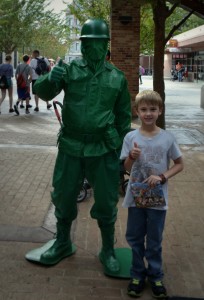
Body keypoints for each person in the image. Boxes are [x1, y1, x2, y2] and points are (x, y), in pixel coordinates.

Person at [26, 19, 131, 274]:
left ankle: (107, 249)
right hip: (71, 145)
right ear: (82, 45)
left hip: (103, 148)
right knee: (63, 196)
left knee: (106, 202)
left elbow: (123, 116)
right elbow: (43, 92)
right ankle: (62, 242)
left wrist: (120, 151)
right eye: (87, 42)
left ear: (106, 46)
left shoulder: (117, 78)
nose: (91, 47)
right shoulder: (69, 71)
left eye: (97, 42)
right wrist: (51, 77)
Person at [120, 90, 184, 298]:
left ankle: (156, 276)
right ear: (137, 112)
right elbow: (127, 168)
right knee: (135, 237)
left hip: (157, 199)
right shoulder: (131, 137)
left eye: (153, 109)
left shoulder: (167, 138)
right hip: (136, 197)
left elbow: (180, 164)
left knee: (154, 240)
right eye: (144, 109)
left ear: (160, 111)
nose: (148, 113)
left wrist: (163, 176)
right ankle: (137, 274)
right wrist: (131, 156)